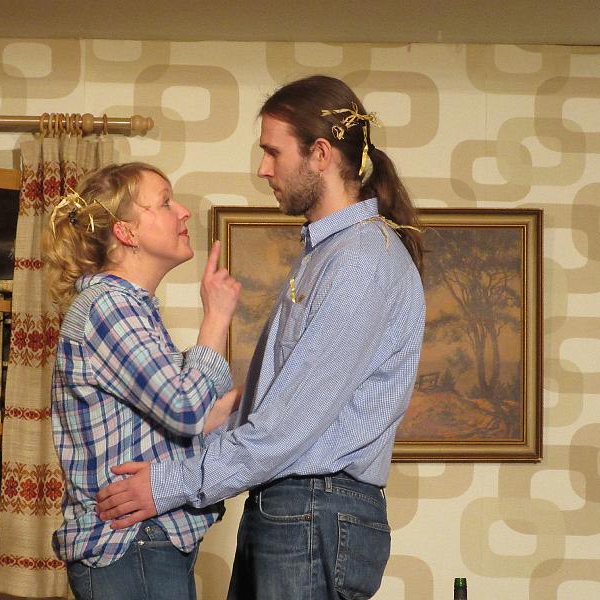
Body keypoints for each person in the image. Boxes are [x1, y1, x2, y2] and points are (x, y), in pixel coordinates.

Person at [96, 76, 426, 600]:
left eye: (273, 152)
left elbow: (284, 428)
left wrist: (168, 484)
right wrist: (169, 467)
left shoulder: (360, 261)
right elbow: (270, 411)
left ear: (320, 154)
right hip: (297, 509)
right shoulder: (329, 256)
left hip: (313, 512)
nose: (263, 169)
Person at [43, 162, 242, 600]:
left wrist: (263, 388)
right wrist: (217, 316)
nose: (183, 212)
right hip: (131, 544)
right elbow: (186, 410)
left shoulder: (133, 310)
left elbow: (193, 421)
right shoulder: (109, 307)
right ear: (126, 232)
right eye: (166, 202)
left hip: (146, 544)